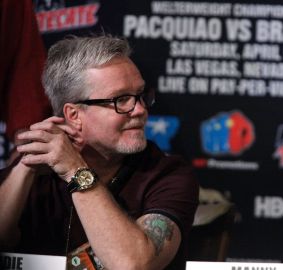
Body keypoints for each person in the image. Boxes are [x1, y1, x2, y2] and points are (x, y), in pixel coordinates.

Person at [0, 35, 199, 270]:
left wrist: (76, 171)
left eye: (141, 96)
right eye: (122, 100)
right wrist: (25, 166)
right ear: (74, 116)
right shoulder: (33, 174)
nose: (140, 110)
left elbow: (131, 265)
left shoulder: (168, 175)